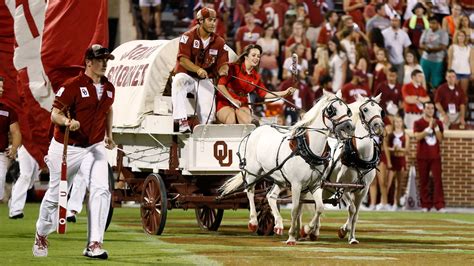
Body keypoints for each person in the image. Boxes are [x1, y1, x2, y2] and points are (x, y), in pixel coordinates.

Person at [32, 44, 116, 259]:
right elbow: (54, 114)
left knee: (101, 189)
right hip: (66, 148)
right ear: (88, 62)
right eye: (100, 59)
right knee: (54, 195)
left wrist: (109, 135)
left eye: (106, 59)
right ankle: (41, 234)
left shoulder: (109, 88)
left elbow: (108, 109)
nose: (104, 63)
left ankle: (94, 244)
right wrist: (68, 121)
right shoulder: (72, 85)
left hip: (94, 146)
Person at [171, 7, 229, 133]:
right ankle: (182, 121)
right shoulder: (187, 36)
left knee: (208, 113)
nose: (213, 23)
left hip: (204, 78)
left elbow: (224, 62)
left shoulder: (219, 41)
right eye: (210, 20)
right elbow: (183, 60)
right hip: (188, 75)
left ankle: (204, 131)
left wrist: (223, 70)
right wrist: (197, 69)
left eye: (214, 20)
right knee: (178, 81)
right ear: (200, 21)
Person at [216, 44, 295, 124]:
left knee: (246, 122)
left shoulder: (256, 76)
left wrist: (285, 92)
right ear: (246, 56)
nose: (256, 58)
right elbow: (220, 85)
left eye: (258, 56)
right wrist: (232, 99)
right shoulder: (233, 68)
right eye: (253, 55)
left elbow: (265, 94)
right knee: (231, 119)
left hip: (242, 104)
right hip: (225, 102)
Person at [413, 101, 445, 212]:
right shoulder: (418, 122)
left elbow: (440, 139)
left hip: (435, 156)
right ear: (424, 109)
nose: (430, 110)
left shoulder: (439, 123)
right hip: (422, 156)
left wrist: (435, 127)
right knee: (424, 181)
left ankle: (439, 205)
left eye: (432, 108)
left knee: (437, 180)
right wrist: (428, 128)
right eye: (428, 108)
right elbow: (417, 137)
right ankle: (425, 205)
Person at [0, 76, 21, 203]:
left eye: (2, 87)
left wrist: (14, 148)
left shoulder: (7, 111)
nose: (1, 90)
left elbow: (16, 132)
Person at [8, 146, 39, 219]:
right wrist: (14, 149)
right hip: (26, 145)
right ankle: (15, 209)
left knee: (30, 182)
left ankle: (13, 199)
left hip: (42, 147)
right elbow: (16, 133)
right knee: (25, 176)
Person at [419, 16, 449, 90]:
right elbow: (421, 44)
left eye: (434, 23)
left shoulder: (443, 33)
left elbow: (443, 46)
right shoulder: (426, 31)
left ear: (438, 24)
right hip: (425, 59)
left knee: (435, 81)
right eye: (430, 23)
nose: (431, 25)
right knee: (422, 78)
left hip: (437, 61)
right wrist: (426, 48)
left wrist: (431, 49)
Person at [387, 116, 409, 211]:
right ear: (394, 123)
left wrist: (399, 149)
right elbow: (386, 148)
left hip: (401, 159)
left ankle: (396, 202)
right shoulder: (390, 135)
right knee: (388, 182)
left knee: (399, 183)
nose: (398, 123)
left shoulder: (405, 135)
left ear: (402, 123)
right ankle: (387, 201)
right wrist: (393, 149)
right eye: (396, 122)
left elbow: (406, 150)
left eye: (400, 121)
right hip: (392, 159)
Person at [382, 14, 412, 84]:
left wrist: (405, 59)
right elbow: (382, 48)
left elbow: (407, 47)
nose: (394, 22)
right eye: (392, 20)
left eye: (396, 21)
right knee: (389, 81)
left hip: (400, 61)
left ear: (399, 22)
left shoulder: (403, 33)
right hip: (389, 61)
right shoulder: (384, 33)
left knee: (400, 81)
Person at [447, 30, 474, 101]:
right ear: (456, 37)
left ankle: (464, 111)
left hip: (465, 72)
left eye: (463, 36)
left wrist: (472, 73)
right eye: (459, 35)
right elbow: (449, 60)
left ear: (465, 37)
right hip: (454, 72)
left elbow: (471, 61)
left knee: (464, 93)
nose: (461, 37)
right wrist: (448, 72)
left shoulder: (469, 48)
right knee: (453, 92)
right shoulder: (452, 47)